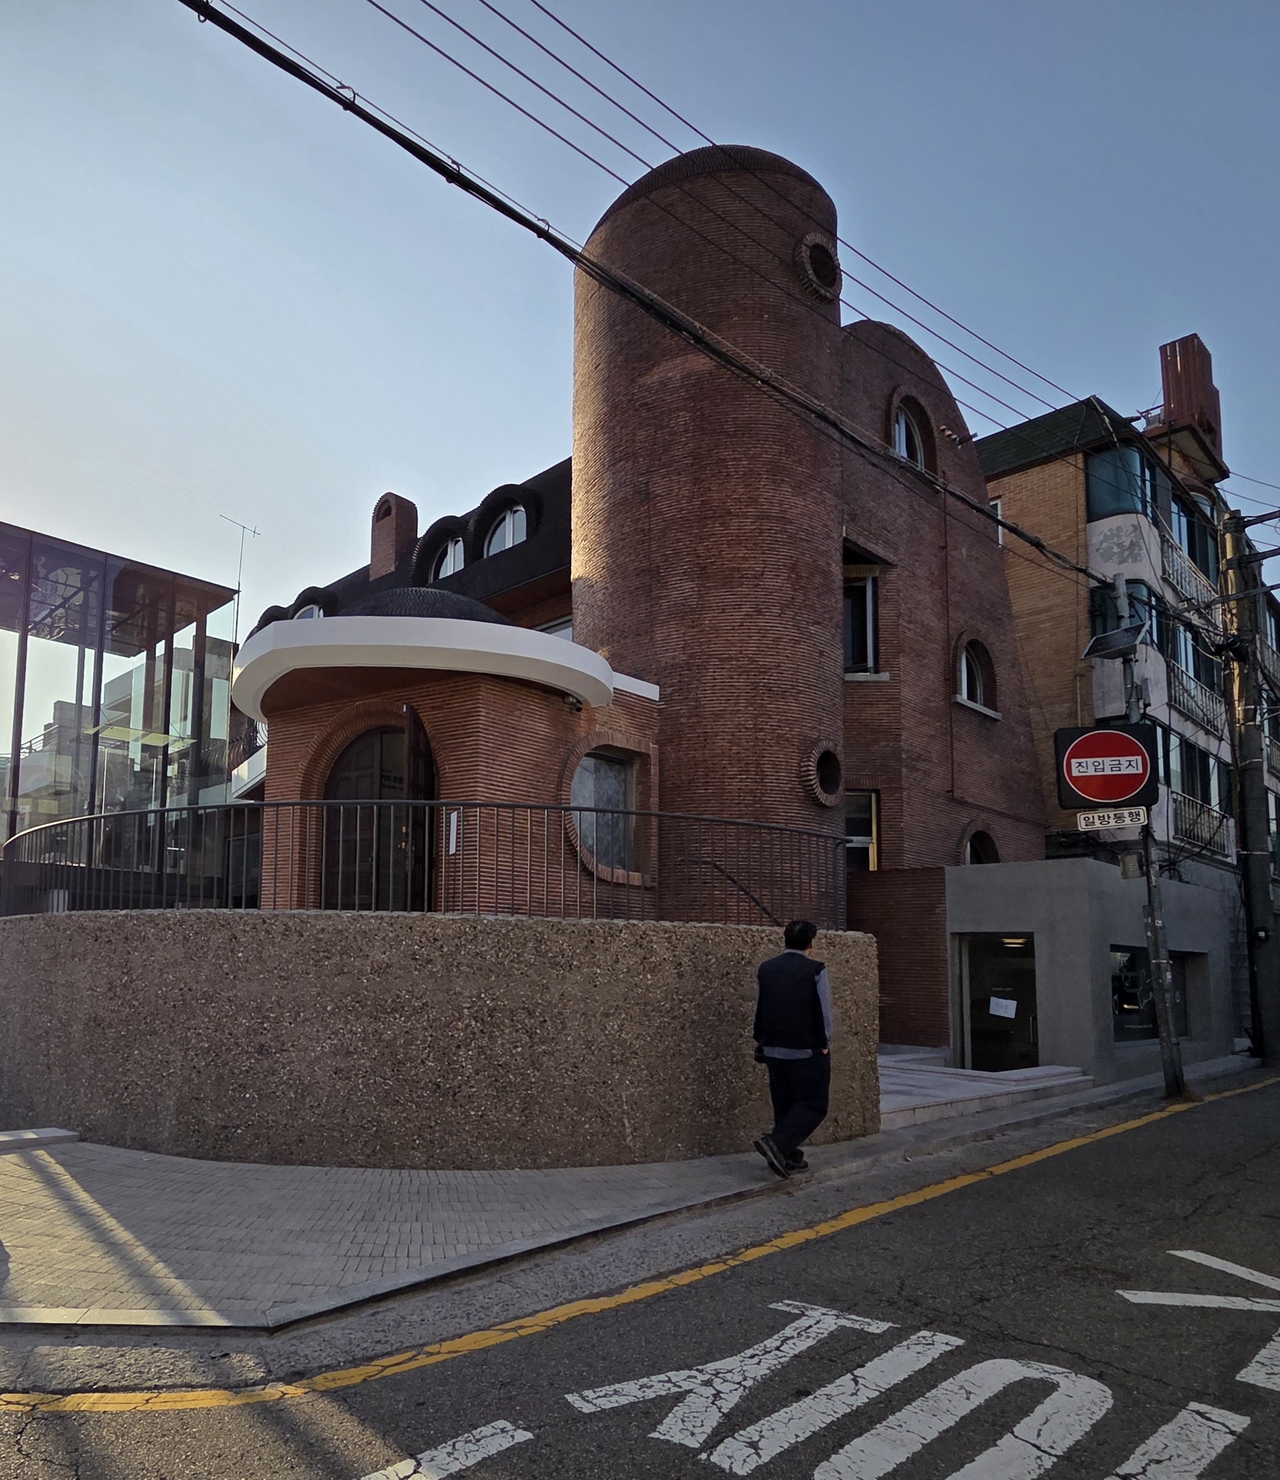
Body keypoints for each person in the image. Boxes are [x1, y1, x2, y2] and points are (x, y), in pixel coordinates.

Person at [752, 918, 832, 1178]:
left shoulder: (767, 969)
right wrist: (823, 1043)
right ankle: (775, 1145)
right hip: (805, 1051)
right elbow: (824, 1011)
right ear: (811, 942)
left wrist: (761, 1039)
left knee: (784, 1106)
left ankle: (789, 1157)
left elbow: (761, 1006)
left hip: (774, 1049)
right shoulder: (816, 970)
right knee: (814, 1104)